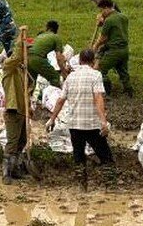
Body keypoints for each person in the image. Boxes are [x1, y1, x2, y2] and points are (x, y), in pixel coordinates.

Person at [45, 48, 113, 188]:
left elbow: (60, 100)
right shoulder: (96, 75)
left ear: (80, 61)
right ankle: (110, 184)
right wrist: (103, 122)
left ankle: (82, 186)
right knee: (106, 156)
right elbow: (98, 98)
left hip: (74, 125)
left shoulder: (70, 77)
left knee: (79, 156)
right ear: (93, 61)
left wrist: (52, 119)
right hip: (92, 124)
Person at [1, 31, 34, 184]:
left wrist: (30, 106)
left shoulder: (22, 71)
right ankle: (6, 174)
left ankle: (15, 168)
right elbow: (15, 58)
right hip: (13, 110)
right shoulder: (8, 67)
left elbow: (27, 90)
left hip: (22, 110)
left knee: (22, 141)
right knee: (12, 142)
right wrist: (20, 41)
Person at [93, 0, 133, 98]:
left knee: (100, 70)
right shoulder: (123, 17)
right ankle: (128, 91)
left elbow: (103, 38)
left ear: (106, 8)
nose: (101, 13)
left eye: (101, 10)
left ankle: (107, 91)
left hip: (114, 50)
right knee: (122, 70)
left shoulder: (109, 20)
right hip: (125, 49)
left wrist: (95, 46)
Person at [27, 20, 69, 88]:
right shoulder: (56, 37)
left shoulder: (40, 35)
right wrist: (64, 72)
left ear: (47, 28)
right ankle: (53, 95)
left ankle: (29, 97)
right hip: (37, 58)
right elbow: (59, 58)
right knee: (55, 77)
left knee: (31, 81)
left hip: (28, 57)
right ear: (56, 29)